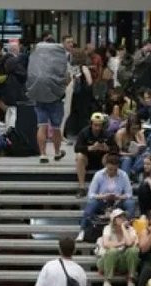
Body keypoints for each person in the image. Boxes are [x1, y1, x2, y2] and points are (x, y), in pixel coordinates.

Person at [26, 34, 68, 163]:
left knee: (42, 125)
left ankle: (43, 154)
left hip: (39, 95)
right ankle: (56, 152)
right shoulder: (60, 55)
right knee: (56, 127)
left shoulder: (36, 55)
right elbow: (64, 75)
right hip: (55, 96)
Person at [76, 153, 133, 242]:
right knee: (92, 202)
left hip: (117, 202)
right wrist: (103, 196)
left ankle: (128, 228)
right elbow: (91, 194)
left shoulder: (123, 175)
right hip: (102, 201)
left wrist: (119, 197)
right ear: (106, 165)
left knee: (130, 203)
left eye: (115, 170)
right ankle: (83, 230)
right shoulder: (99, 175)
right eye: (110, 169)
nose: (112, 172)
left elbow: (129, 194)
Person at [74, 113, 120, 199]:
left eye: (99, 126)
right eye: (95, 125)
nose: (97, 128)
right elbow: (76, 148)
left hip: (102, 160)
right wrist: (89, 148)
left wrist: (108, 149)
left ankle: (106, 186)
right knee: (79, 156)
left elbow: (116, 149)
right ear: (91, 124)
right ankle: (82, 187)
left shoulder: (108, 134)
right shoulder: (84, 132)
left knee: (108, 157)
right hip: (88, 159)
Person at [97, 209, 139, 286]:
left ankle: (130, 280)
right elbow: (106, 244)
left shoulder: (130, 229)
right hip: (106, 260)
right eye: (119, 217)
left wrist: (123, 228)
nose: (122, 218)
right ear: (113, 219)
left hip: (122, 261)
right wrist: (121, 243)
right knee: (112, 251)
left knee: (133, 250)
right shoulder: (107, 228)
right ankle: (107, 281)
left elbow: (130, 243)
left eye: (124, 216)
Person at [64, 48, 94, 140]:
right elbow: (89, 81)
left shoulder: (71, 67)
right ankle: (83, 133)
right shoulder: (83, 67)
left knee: (72, 112)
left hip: (73, 93)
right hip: (83, 94)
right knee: (84, 114)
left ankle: (70, 132)